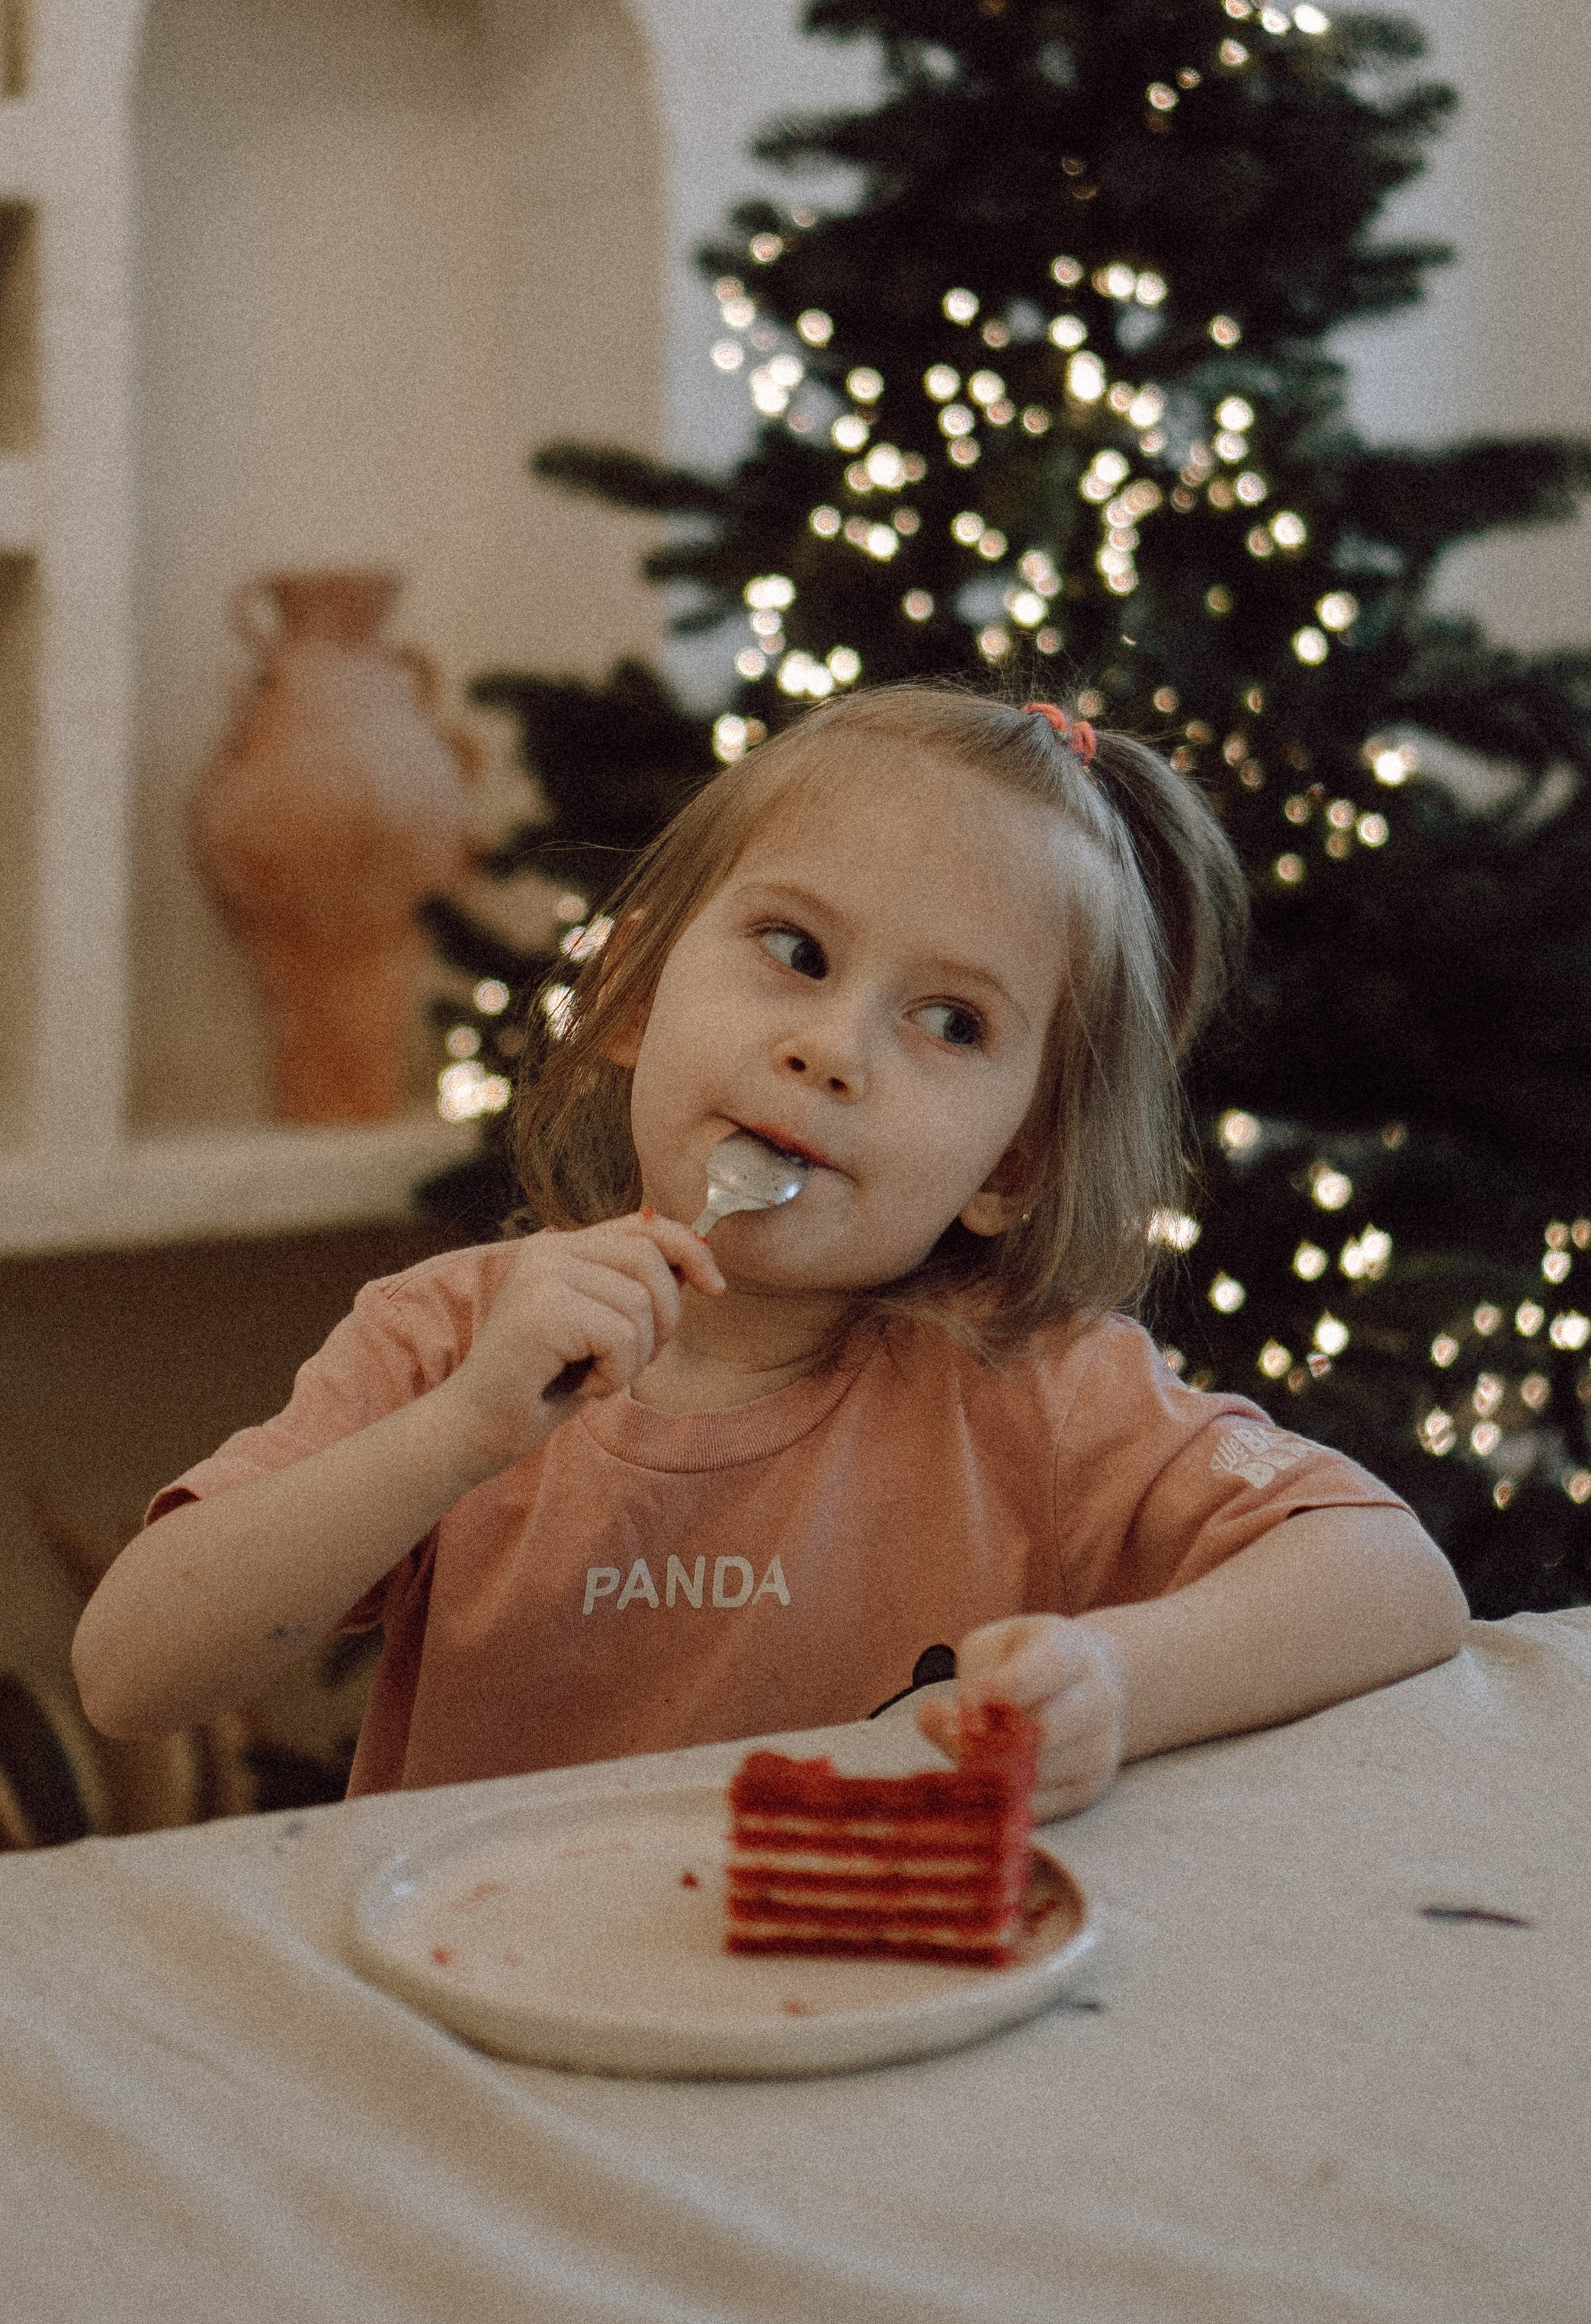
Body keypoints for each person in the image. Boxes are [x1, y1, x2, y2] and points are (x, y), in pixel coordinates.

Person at [73, 684, 1467, 1816]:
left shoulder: (1037, 1392)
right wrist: (452, 1436)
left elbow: (1392, 1576)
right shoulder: (448, 1340)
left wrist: (1116, 1677)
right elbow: (132, 1672)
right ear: (626, 997)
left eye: (952, 1022)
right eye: (795, 951)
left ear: (1012, 1169)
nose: (832, 1047)